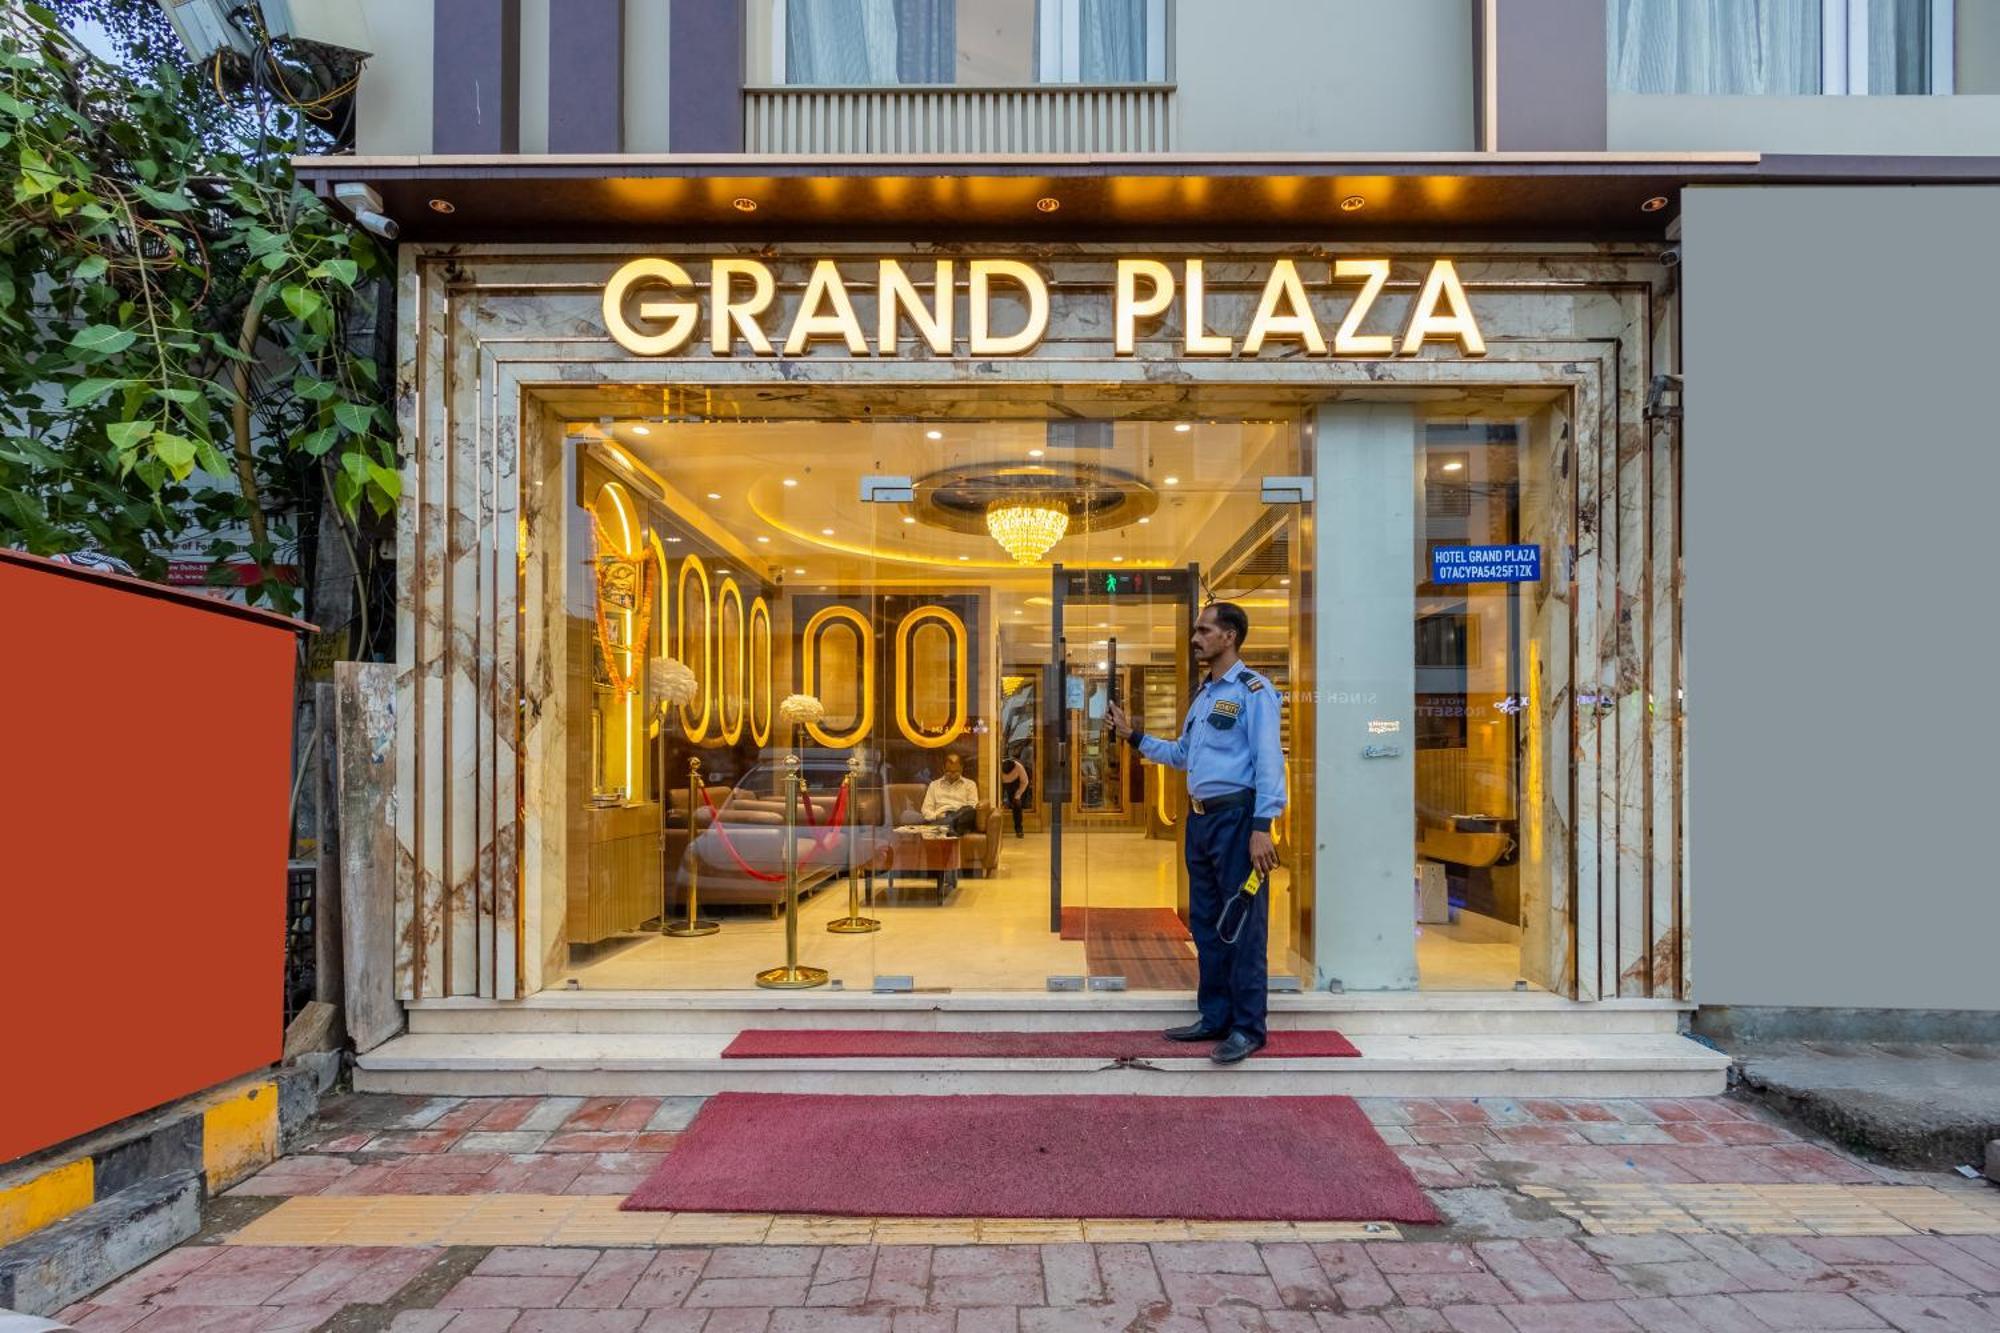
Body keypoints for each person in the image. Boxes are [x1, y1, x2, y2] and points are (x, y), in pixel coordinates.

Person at [1106, 601, 1286, 1064]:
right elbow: (1183, 754)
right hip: (1201, 821)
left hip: (1238, 820)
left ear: (1230, 636)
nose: (1195, 638)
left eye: (1205, 630)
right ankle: (1215, 1016)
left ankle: (1248, 1027)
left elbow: (1269, 761)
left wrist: (1262, 826)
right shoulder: (1204, 696)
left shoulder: (1254, 691)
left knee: (1242, 925)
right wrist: (1133, 736)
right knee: (1206, 923)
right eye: (1196, 630)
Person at [920, 751, 980, 835]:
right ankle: (950, 826)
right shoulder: (934, 785)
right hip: (941, 817)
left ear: (961, 768)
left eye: (956, 772)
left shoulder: (970, 784)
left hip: (961, 820)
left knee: (969, 810)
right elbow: (926, 810)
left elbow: (973, 806)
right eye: (949, 771)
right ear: (943, 769)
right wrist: (937, 816)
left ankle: (948, 824)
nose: (952, 775)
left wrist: (955, 816)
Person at [999, 753, 1031, 836]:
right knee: (999, 804)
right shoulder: (998, 766)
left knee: (1017, 805)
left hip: (1016, 784)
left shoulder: (1019, 767)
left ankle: (1019, 829)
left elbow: (1025, 782)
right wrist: (1001, 799)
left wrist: (1018, 795)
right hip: (1001, 784)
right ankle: (998, 830)